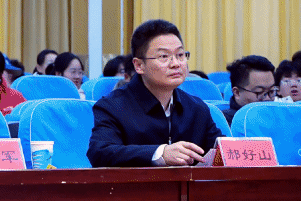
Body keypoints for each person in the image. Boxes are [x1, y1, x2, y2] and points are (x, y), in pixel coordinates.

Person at [88, 19, 221, 167]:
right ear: (139, 65)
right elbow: (100, 153)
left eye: (180, 55)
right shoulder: (112, 106)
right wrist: (160, 153)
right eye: (164, 56)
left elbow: (221, 151)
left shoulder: (197, 108)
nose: (176, 63)